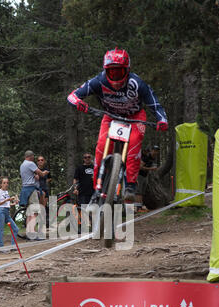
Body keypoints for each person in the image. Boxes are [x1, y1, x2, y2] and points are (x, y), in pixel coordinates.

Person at [67, 48, 168, 203]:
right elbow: (73, 96)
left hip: (135, 117)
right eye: (111, 72)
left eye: (118, 72)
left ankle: (131, 186)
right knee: (101, 147)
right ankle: (97, 187)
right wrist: (79, 103)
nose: (114, 76)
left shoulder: (136, 83)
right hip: (111, 116)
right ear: (105, 71)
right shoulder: (99, 81)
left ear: (127, 71)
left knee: (134, 143)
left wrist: (162, 120)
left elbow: (154, 103)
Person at [19, 150, 49, 240]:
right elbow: (41, 173)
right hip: (31, 190)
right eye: (33, 157)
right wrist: (45, 173)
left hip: (25, 189)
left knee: (29, 213)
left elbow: (29, 176)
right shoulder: (30, 164)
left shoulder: (22, 165)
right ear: (31, 156)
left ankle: (29, 232)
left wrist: (35, 177)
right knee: (35, 212)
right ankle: (32, 233)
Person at [0, 177, 19, 252]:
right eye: (4, 183)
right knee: (1, 230)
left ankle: (13, 246)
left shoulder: (6, 192)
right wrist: (7, 200)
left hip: (6, 212)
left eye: (7, 183)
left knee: (15, 229)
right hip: (1, 211)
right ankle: (1, 249)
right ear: (1, 184)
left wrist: (14, 203)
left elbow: (7, 204)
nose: (6, 184)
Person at [136, 145, 160, 212]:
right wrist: (151, 169)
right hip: (139, 175)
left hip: (145, 176)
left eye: (157, 151)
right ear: (152, 150)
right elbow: (140, 167)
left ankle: (140, 206)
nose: (155, 152)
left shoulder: (153, 158)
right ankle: (138, 208)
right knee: (139, 191)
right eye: (154, 151)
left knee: (142, 191)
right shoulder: (146, 157)